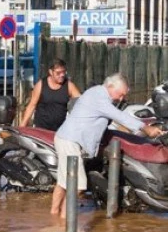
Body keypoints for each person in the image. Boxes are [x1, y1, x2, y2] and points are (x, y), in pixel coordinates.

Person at [51, 73, 154, 219]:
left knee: (63, 182)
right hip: (70, 141)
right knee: (78, 186)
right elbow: (119, 116)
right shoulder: (100, 98)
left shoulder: (98, 94)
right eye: (121, 94)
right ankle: (64, 221)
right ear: (111, 86)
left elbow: (110, 121)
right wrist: (146, 128)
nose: (121, 98)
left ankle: (53, 216)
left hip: (66, 139)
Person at [20, 58, 81, 131]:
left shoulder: (69, 86)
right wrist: (22, 126)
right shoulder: (41, 85)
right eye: (58, 73)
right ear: (51, 72)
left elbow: (81, 102)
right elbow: (32, 105)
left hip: (60, 131)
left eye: (64, 72)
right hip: (41, 129)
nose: (62, 75)